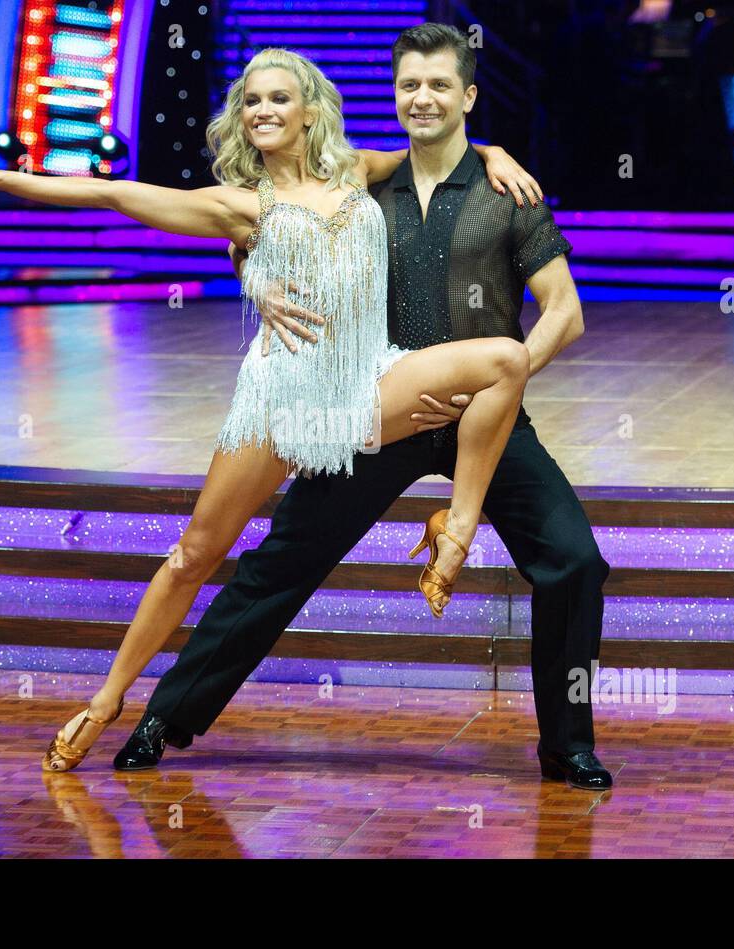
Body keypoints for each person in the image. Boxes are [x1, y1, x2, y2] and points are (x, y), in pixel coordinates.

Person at [0, 45, 543, 773]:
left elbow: (437, 146)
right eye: (251, 101)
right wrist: (2, 178)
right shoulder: (239, 205)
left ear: (310, 110)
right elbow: (112, 196)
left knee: (505, 357)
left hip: (364, 385)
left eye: (278, 98)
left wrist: (496, 150)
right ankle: (109, 698)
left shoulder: (356, 170)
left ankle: (456, 527)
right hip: (282, 400)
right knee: (193, 554)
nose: (262, 111)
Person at [112, 24, 614, 790]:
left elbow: (565, 313)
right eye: (410, 85)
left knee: (575, 560)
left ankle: (567, 746)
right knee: (280, 564)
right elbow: (265, 219)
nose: (423, 97)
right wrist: (255, 274)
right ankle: (164, 716)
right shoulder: (360, 184)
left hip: (485, 419)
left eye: (440, 85)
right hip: (376, 410)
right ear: (395, 94)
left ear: (468, 96)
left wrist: (496, 389)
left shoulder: (509, 194)